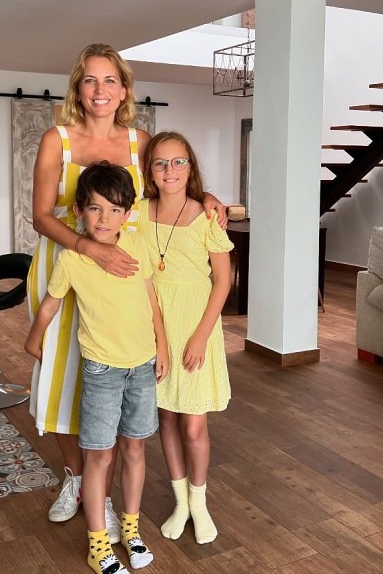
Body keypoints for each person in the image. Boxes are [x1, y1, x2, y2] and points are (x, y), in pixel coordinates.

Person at [26, 43, 225, 534]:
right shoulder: (58, 140)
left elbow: (172, 181)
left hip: (125, 276)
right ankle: (76, 479)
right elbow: (40, 216)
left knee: (114, 374)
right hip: (67, 265)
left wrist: (209, 196)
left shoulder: (140, 140)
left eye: (109, 80)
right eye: (90, 80)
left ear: (123, 90)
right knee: (67, 380)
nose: (100, 90)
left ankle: (110, 496)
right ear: (78, 87)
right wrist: (89, 249)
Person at [25, 162, 167, 574]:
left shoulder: (138, 244)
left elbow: (150, 298)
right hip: (102, 372)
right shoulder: (73, 260)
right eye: (95, 209)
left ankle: (132, 530)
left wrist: (162, 346)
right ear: (78, 212)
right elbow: (51, 303)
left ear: (128, 212)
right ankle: (98, 545)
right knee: (99, 456)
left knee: (136, 449)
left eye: (115, 210)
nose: (104, 219)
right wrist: (33, 338)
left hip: (142, 367)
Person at [138, 132, 233, 545]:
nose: (169, 170)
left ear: (190, 168)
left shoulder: (206, 216)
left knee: (194, 424)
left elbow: (224, 281)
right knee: (166, 417)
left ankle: (200, 502)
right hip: (156, 326)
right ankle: (179, 500)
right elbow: (144, 277)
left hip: (198, 327)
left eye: (179, 162)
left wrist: (200, 337)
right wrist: (160, 340)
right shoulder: (139, 214)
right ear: (150, 171)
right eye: (160, 163)